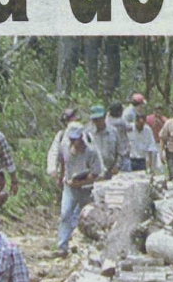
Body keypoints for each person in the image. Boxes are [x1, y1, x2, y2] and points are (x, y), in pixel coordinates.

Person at [55, 122, 103, 256]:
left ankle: (83, 244)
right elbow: (63, 161)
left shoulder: (91, 151)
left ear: (81, 138)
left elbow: (95, 174)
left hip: (86, 188)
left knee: (86, 217)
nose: (72, 142)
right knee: (65, 213)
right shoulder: (64, 146)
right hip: (69, 186)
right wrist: (61, 177)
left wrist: (82, 182)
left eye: (75, 139)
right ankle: (62, 246)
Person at [85, 104, 125, 179]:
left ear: (104, 117)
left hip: (111, 172)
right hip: (94, 173)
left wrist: (117, 166)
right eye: (95, 119)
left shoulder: (113, 131)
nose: (97, 122)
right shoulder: (88, 134)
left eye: (99, 119)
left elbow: (120, 152)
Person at [46, 107, 78, 183]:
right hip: (66, 175)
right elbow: (53, 152)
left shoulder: (83, 132)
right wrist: (52, 169)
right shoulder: (61, 135)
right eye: (71, 118)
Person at [127, 103, 159, 172]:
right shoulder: (129, 129)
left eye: (142, 124)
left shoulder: (147, 130)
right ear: (135, 121)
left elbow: (151, 146)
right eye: (138, 123)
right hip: (130, 159)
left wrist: (150, 164)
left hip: (142, 160)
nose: (140, 126)